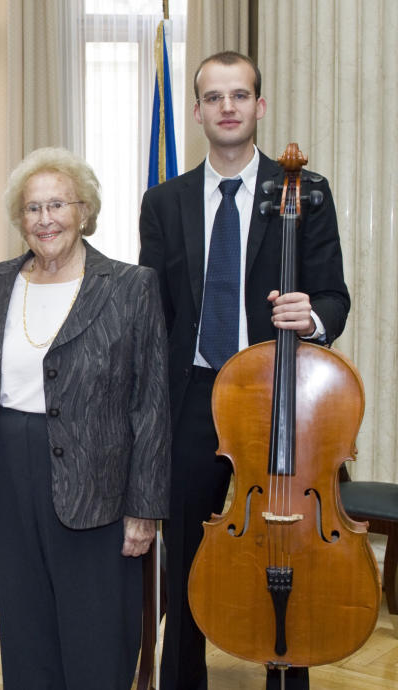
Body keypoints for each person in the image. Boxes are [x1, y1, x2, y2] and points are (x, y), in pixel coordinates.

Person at [139, 51, 351, 690]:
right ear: (198, 111)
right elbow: (156, 311)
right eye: (213, 97)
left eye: (239, 95)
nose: (226, 106)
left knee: (286, 544)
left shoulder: (305, 191)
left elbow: (335, 296)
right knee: (186, 555)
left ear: (258, 107)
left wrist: (309, 316)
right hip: (195, 396)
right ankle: (183, 679)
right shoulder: (165, 201)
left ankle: (287, 673)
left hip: (279, 395)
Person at [0, 148, 170, 689]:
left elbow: (151, 403)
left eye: (57, 204)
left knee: (96, 631)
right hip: (11, 472)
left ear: (84, 210)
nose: (45, 219)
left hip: (99, 484)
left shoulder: (130, 286)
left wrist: (144, 508)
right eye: (32, 209)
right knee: (24, 625)